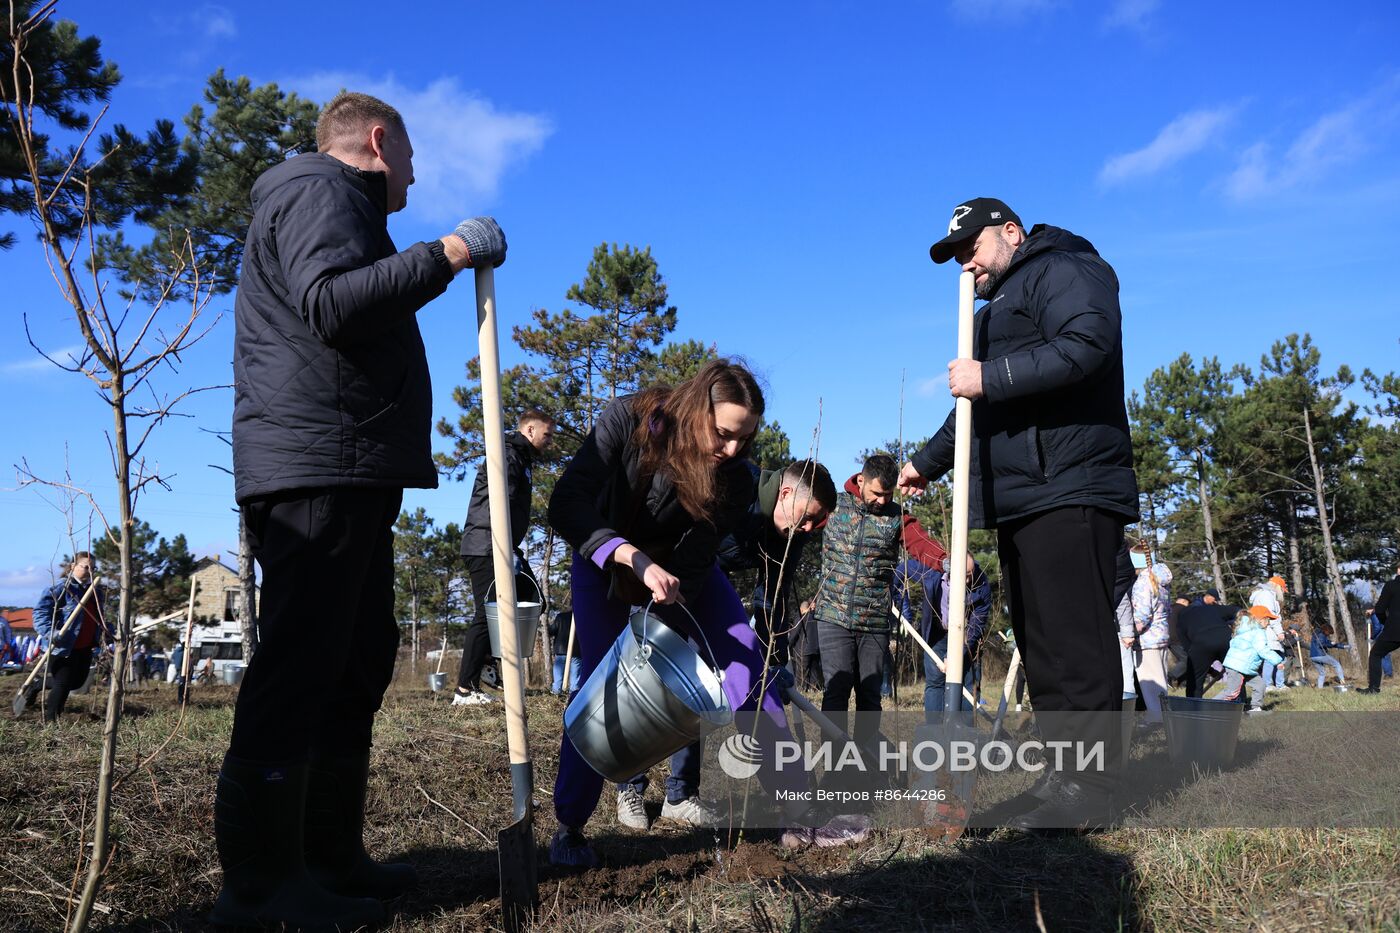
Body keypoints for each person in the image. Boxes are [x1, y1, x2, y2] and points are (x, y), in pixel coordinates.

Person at [218, 91, 507, 929]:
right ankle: (264, 890)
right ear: (378, 143)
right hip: (317, 468)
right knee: (302, 662)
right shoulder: (319, 190)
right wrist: (449, 251)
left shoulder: (335, 205)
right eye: (411, 156)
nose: (415, 172)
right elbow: (334, 302)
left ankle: (328, 857)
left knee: (355, 660)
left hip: (348, 468)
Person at [547, 360, 867, 866]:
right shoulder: (628, 422)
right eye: (723, 434)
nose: (734, 450)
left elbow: (696, 559)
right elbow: (565, 503)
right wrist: (630, 557)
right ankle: (569, 825)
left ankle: (797, 812)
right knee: (600, 686)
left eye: (745, 438)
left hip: (679, 574)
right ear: (698, 409)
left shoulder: (735, 480)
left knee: (748, 668)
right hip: (605, 561)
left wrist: (670, 614)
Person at [900, 198, 1138, 830]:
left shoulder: (1065, 268)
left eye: (970, 247)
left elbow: (1086, 345)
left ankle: (1093, 789)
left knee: (1074, 641)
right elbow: (974, 410)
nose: (964, 263)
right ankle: (1065, 777)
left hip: (1071, 481)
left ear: (1011, 232)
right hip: (1021, 497)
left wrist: (990, 375)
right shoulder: (989, 314)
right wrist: (925, 462)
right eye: (954, 255)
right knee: (1041, 644)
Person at [614, 459, 837, 833]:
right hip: (665, 576)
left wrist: (771, 657)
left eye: (818, 521)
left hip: (710, 589)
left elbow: (773, 595)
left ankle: (682, 795)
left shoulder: (794, 532)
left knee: (715, 691)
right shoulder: (735, 484)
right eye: (809, 517)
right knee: (652, 684)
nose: (811, 528)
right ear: (785, 494)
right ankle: (630, 786)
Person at [813, 454, 946, 755]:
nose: (882, 501)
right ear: (860, 481)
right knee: (836, 692)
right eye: (876, 493)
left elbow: (920, 544)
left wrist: (946, 560)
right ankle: (835, 769)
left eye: (888, 495)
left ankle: (867, 766)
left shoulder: (897, 517)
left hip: (874, 622)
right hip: (832, 616)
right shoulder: (833, 506)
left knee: (870, 696)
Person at [451, 409, 556, 707]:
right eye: (547, 435)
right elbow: (501, 502)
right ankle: (464, 689)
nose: (550, 441)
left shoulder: (521, 458)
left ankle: (486, 663)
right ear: (531, 431)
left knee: (532, 600)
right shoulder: (509, 454)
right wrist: (504, 548)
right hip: (487, 545)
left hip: (498, 543)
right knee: (487, 613)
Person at [894, 552, 990, 717]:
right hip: (937, 635)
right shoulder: (931, 573)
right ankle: (934, 731)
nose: (968, 581)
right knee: (935, 682)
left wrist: (956, 653)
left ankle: (964, 732)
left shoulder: (981, 584)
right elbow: (902, 569)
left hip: (966, 638)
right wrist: (902, 606)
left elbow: (975, 626)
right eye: (964, 576)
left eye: (970, 575)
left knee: (968, 683)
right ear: (950, 570)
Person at [21, 552, 109, 722]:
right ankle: (51, 722)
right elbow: (40, 613)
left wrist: (110, 632)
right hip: (63, 646)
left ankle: (37, 684)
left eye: (93, 568)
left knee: (76, 683)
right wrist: (50, 632)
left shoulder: (95, 592)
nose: (89, 571)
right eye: (85, 567)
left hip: (85, 647)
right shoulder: (61, 588)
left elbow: (99, 617)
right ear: (72, 566)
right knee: (63, 683)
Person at [1124, 543, 1173, 723]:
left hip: (1146, 640)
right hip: (1161, 635)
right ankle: (1163, 716)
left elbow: (1142, 616)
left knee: (1150, 682)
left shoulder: (1142, 583)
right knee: (1161, 680)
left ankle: (1156, 720)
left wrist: (1128, 631)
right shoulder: (1161, 580)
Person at [1219, 605, 1284, 713]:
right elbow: (1263, 650)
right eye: (1267, 620)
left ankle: (1255, 709)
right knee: (1232, 692)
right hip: (1239, 667)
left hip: (1246, 667)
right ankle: (1208, 706)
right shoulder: (1258, 632)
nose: (1268, 623)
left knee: (1260, 685)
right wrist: (1277, 661)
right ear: (1259, 619)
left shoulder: (1243, 629)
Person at [1177, 590, 1237, 698]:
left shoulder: (1183, 615)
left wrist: (1191, 654)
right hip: (1223, 639)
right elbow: (1236, 611)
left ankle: (1192, 706)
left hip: (1200, 643)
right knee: (1235, 672)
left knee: (1195, 679)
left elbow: (1183, 638)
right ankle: (1240, 702)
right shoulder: (1212, 608)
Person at [1359, 563, 1400, 695]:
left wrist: (1385, 623)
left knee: (1376, 654)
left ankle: (1374, 689)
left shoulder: (1392, 585)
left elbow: (1380, 609)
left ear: (1398, 570)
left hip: (1394, 630)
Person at [1250, 576, 1289, 691]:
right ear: (1277, 587)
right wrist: (1279, 632)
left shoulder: (1266, 594)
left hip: (1268, 630)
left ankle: (1279, 684)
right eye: (1282, 589)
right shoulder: (1267, 595)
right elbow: (1271, 616)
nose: (1282, 592)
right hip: (1269, 631)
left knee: (1280, 658)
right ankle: (1268, 685)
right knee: (1271, 658)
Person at [548, 608, 581, 697]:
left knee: (558, 675)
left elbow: (552, 631)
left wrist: (547, 626)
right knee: (575, 677)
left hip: (561, 651)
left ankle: (556, 694)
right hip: (576, 652)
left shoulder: (561, 617)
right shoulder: (581, 617)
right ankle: (573, 697)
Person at [1307, 622, 1348, 689]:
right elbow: (1322, 644)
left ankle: (1320, 688)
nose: (1329, 635)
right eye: (1329, 633)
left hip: (1313, 657)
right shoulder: (1321, 635)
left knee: (1322, 673)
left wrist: (1343, 646)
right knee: (1337, 664)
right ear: (1326, 630)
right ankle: (1343, 682)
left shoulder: (1317, 634)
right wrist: (1331, 644)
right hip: (1320, 655)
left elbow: (1328, 643)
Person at [1367, 605, 1393, 679]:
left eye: (1367, 610)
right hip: (1386, 635)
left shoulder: (1374, 615)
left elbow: (1377, 627)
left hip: (1381, 637)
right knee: (1385, 655)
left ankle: (1387, 674)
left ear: (1370, 609)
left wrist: (1372, 637)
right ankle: (1388, 673)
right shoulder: (1380, 613)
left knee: (1382, 655)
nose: (1366, 612)